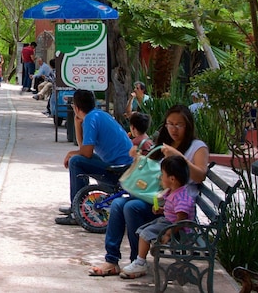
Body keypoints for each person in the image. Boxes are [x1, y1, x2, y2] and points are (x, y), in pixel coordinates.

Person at [89, 104, 209, 277]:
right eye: (170, 123)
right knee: (117, 204)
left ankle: (136, 261)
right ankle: (112, 260)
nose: (173, 129)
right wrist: (138, 156)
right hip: (155, 199)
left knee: (131, 207)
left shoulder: (197, 147)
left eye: (179, 124)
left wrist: (178, 156)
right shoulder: (163, 144)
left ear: (188, 125)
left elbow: (200, 176)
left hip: (175, 209)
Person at [56, 89, 133, 225]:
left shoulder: (91, 119)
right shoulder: (98, 115)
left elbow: (86, 153)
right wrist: (77, 124)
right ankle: (78, 205)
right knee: (78, 159)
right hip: (125, 166)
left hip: (119, 170)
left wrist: (70, 153)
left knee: (75, 161)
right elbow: (84, 148)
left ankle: (77, 211)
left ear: (76, 107)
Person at [120, 155, 195, 279]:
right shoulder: (174, 192)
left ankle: (140, 262)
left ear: (172, 179)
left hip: (178, 231)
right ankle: (142, 258)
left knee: (145, 234)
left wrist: (168, 234)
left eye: (162, 175)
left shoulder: (181, 197)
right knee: (143, 230)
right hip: (168, 222)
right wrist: (161, 210)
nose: (160, 178)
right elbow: (173, 211)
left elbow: (181, 219)